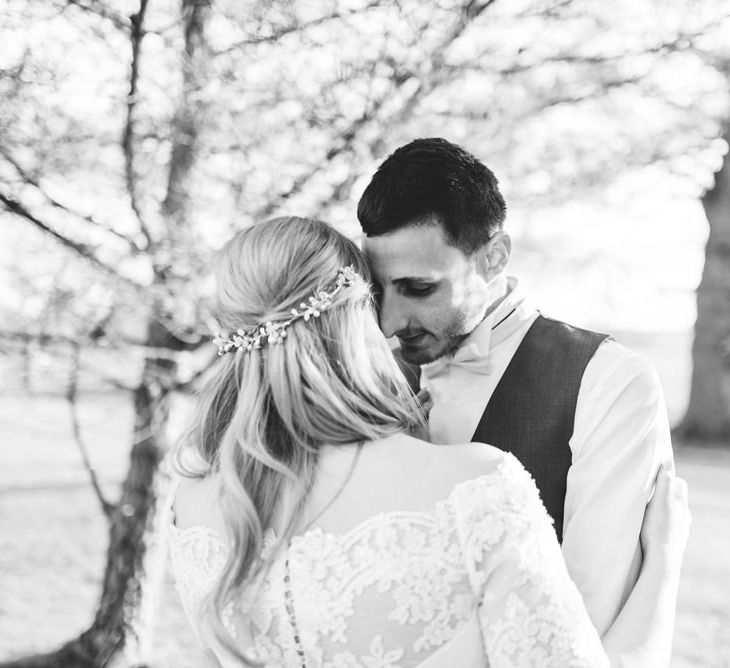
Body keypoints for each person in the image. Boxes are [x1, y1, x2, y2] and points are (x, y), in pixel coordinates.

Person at [169, 216, 689, 668]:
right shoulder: (478, 486)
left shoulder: (193, 505)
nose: (393, 324)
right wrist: (663, 568)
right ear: (355, 318)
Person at [357, 138, 683, 658]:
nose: (391, 323)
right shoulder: (362, 378)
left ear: (493, 258)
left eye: (419, 288)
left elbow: (593, 616)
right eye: (379, 292)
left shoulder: (607, 382)